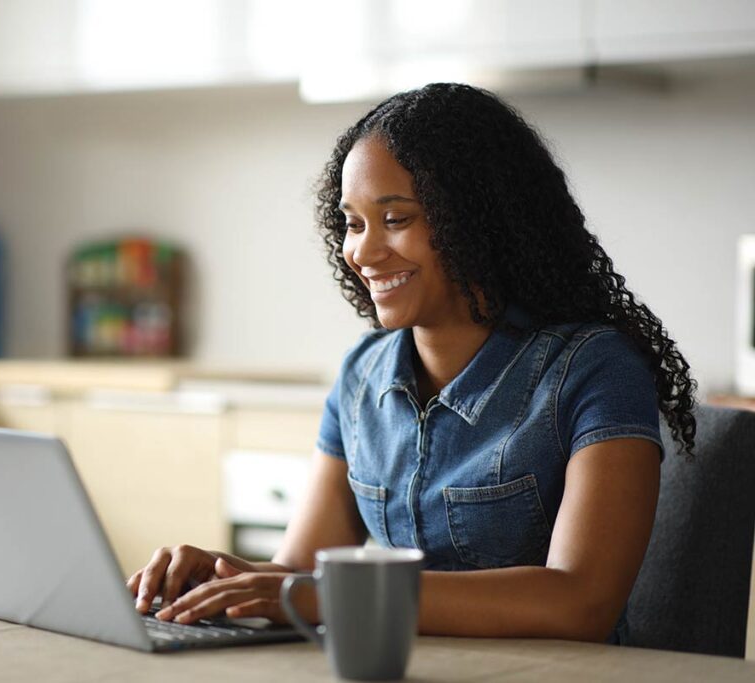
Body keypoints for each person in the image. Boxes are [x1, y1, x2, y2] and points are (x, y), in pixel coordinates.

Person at [126, 83, 697, 643]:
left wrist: (320, 594)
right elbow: (302, 568)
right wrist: (222, 578)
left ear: (477, 222)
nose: (364, 253)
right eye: (353, 223)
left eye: (395, 219)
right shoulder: (362, 374)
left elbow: (580, 602)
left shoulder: (594, 369)